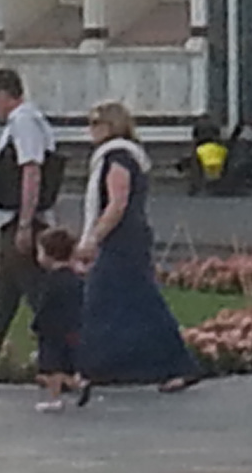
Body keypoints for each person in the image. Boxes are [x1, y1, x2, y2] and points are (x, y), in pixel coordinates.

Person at [75, 101, 200, 392]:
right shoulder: (123, 155)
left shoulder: (117, 156)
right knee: (123, 302)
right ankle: (107, 367)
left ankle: (94, 368)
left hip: (123, 240)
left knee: (105, 301)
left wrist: (93, 237)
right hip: (129, 238)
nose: (90, 130)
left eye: (95, 123)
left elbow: (117, 203)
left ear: (111, 126)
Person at [0, 68, 61, 385]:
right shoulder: (26, 121)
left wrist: (25, 223)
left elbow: (31, 170)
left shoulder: (23, 122)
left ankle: (62, 362)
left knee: (39, 296)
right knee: (2, 297)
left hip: (22, 220)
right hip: (19, 219)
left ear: (5, 94)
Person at [31, 227, 88, 412]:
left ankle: (56, 399)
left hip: (52, 332)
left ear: (49, 255)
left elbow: (45, 307)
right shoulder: (76, 280)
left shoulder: (49, 282)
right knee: (65, 365)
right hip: (73, 328)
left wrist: (36, 326)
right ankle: (78, 383)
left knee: (53, 369)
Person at [178, 116, 230, 197]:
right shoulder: (215, 124)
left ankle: (195, 186)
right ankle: (224, 184)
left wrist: (193, 150)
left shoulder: (198, 125)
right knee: (224, 164)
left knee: (195, 166)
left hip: (202, 148)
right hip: (215, 148)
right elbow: (219, 137)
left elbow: (195, 139)